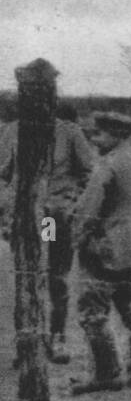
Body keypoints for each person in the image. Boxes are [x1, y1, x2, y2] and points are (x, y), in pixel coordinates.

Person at [0, 101, 96, 363]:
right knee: (26, 280)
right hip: (24, 219)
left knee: (55, 278)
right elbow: (3, 174)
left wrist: (70, 203)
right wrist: (8, 209)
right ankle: (28, 342)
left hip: (53, 220)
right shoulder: (12, 131)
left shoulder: (69, 132)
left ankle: (57, 338)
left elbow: (91, 174)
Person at [69, 112, 131, 394]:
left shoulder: (107, 164)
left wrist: (77, 239)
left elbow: (89, 209)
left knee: (91, 311)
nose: (94, 140)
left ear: (116, 135)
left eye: (100, 134)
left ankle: (107, 372)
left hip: (103, 249)